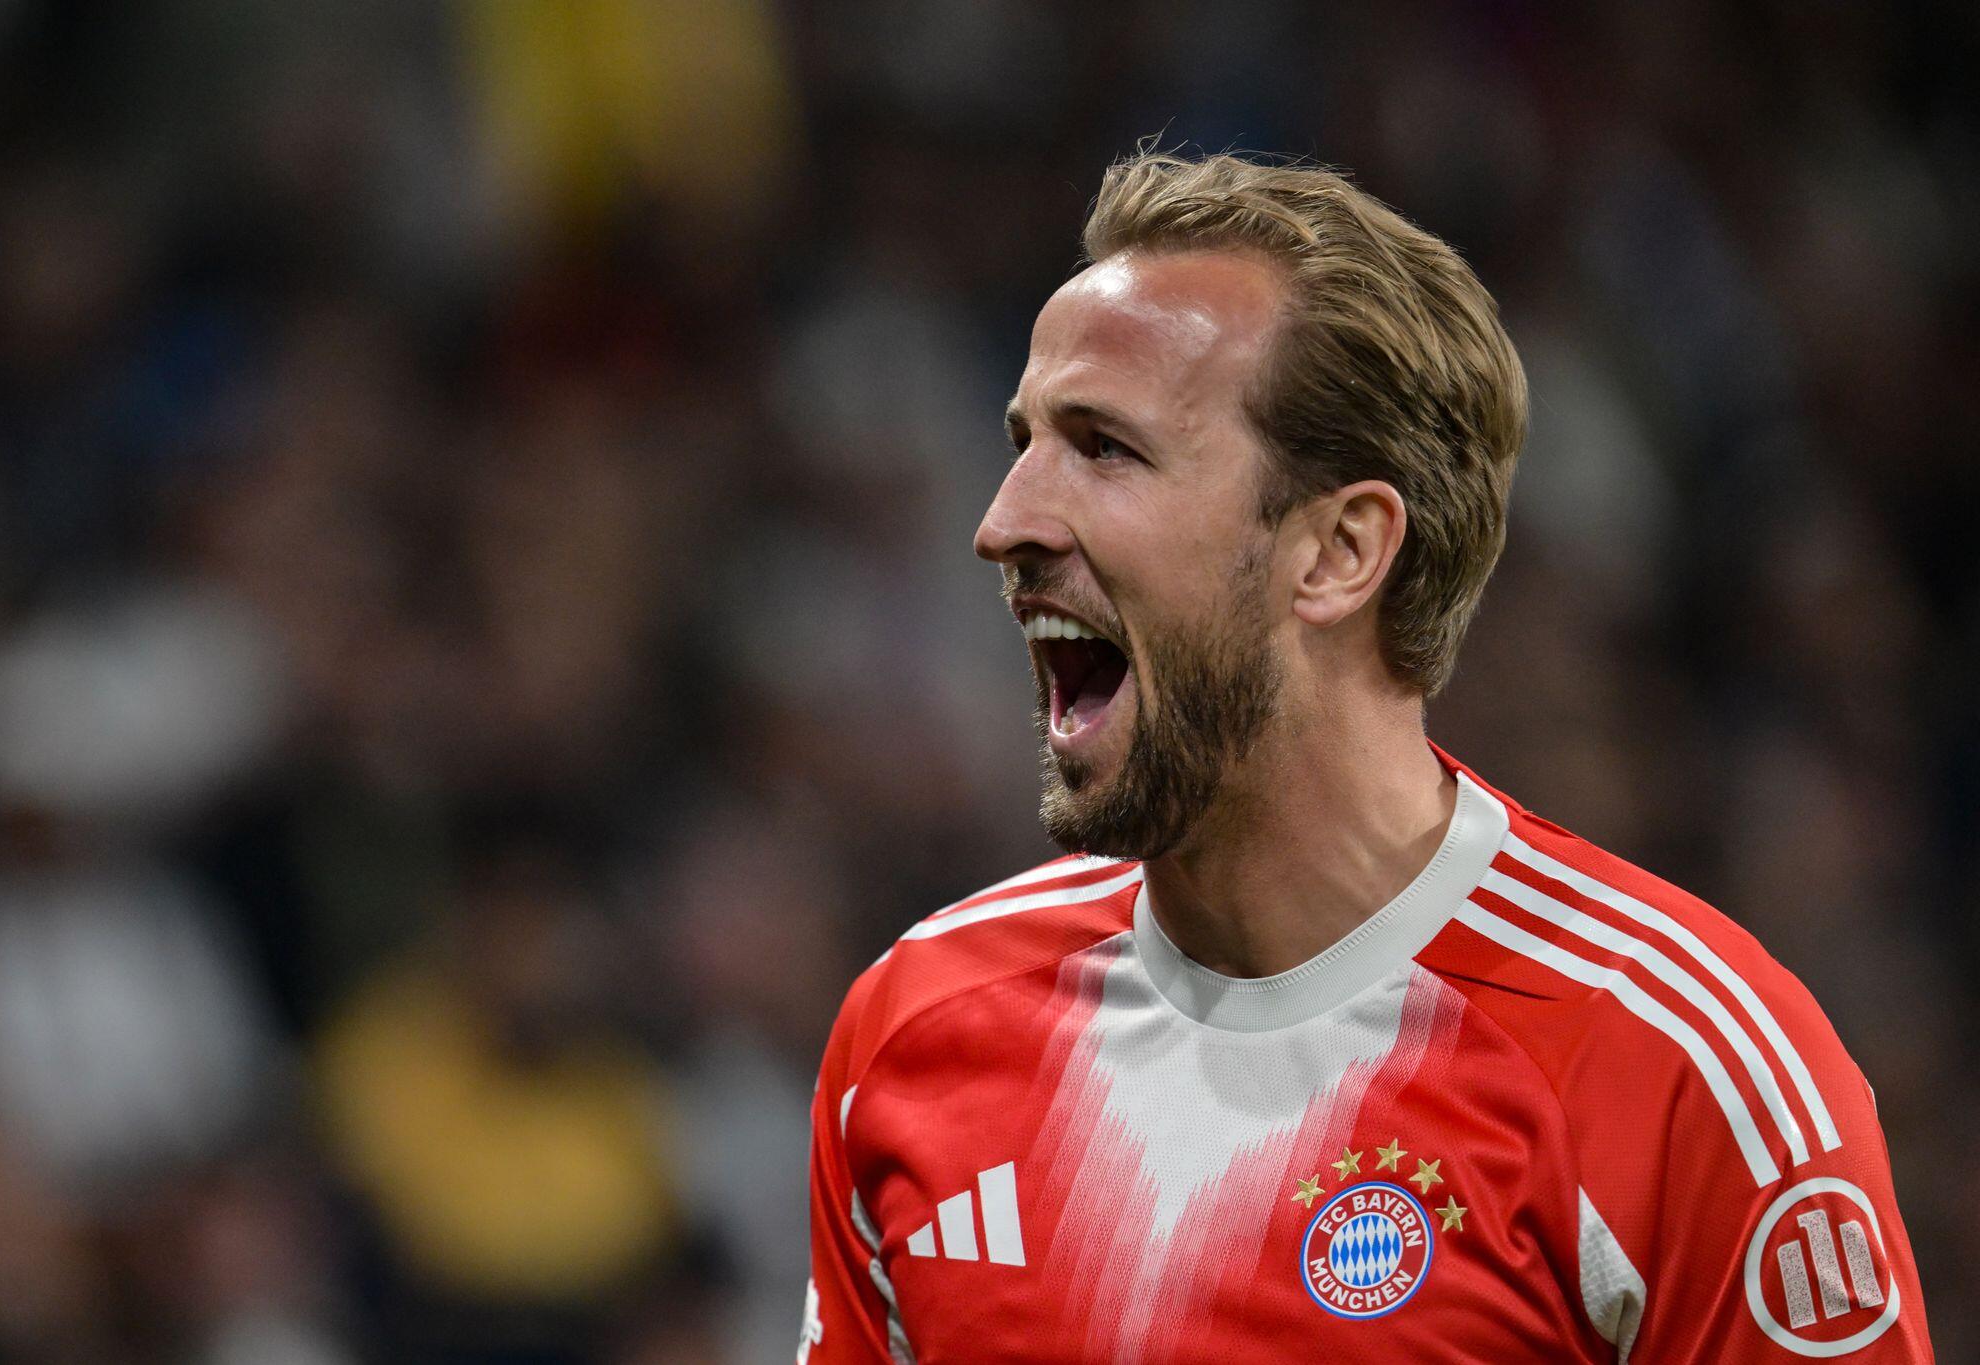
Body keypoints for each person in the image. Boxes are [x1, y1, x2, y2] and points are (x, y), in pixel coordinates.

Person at [800, 151, 1933, 1363]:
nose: (1002, 522)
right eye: (1024, 441)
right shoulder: (911, 1035)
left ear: (1339, 552)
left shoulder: (1680, 1076)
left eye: (1105, 449)